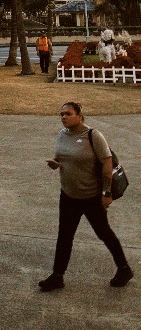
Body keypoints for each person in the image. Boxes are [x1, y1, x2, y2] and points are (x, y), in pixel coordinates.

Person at [39, 101, 133, 291]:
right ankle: (58, 276)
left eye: (68, 114)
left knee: (103, 232)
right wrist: (56, 163)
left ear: (79, 116)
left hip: (91, 197)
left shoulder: (93, 136)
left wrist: (107, 193)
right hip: (68, 195)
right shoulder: (62, 135)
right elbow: (62, 155)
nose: (63, 117)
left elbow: (107, 166)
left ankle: (124, 268)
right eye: (61, 114)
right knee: (64, 236)